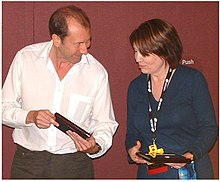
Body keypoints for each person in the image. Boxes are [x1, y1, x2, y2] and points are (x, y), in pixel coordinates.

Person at [2, 5, 118, 179]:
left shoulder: (96, 72)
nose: (85, 50)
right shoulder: (25, 59)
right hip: (28, 163)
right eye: (78, 44)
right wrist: (30, 116)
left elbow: (106, 123)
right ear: (56, 40)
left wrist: (95, 146)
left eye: (87, 41)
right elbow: (3, 108)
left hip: (75, 164)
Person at [125, 18, 217, 179]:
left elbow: (209, 128)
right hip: (150, 173)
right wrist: (132, 149)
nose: (137, 58)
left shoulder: (192, 80)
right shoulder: (136, 87)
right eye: (135, 51)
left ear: (164, 50)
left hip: (189, 171)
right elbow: (132, 133)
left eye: (144, 53)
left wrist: (190, 155)